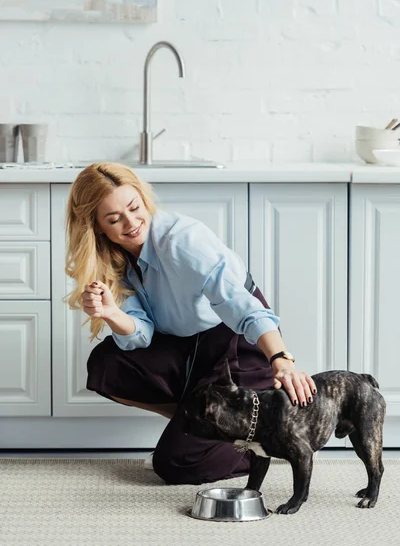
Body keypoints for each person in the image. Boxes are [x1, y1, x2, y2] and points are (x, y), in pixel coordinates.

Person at [64, 162, 317, 485]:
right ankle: (206, 419)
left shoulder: (182, 240)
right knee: (107, 363)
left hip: (235, 341)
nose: (131, 223)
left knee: (177, 464)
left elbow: (239, 305)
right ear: (98, 226)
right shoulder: (108, 260)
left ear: (144, 199)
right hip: (187, 346)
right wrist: (112, 314)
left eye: (135, 208)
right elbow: (140, 336)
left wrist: (281, 359)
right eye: (114, 219)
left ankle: (273, 436)